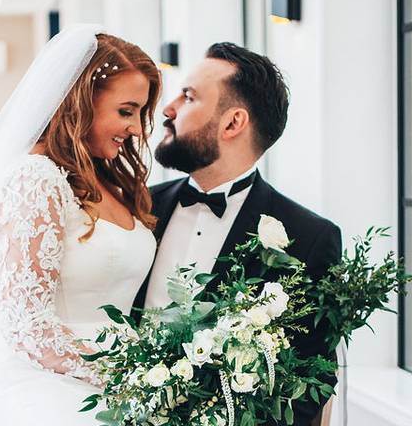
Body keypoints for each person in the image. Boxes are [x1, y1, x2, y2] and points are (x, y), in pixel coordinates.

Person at [0, 27, 161, 424]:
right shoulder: (36, 179)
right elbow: (26, 324)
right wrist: (126, 375)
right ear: (80, 102)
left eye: (141, 113)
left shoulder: (110, 181)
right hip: (54, 392)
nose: (138, 129)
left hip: (122, 391)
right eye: (126, 111)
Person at [134, 42, 342, 426]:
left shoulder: (310, 238)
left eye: (189, 97)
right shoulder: (137, 208)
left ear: (233, 123)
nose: (168, 108)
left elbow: (311, 384)